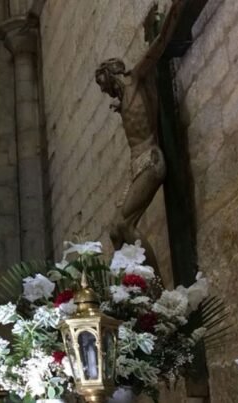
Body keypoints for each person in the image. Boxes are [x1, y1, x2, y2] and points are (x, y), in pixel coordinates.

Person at [94, 0, 187, 270]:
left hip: (150, 159)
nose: (103, 90)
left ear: (111, 74)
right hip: (136, 167)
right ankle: (133, 285)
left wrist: (173, 15)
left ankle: (153, 285)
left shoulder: (135, 80)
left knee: (123, 224)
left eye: (103, 83)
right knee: (114, 230)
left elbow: (157, 47)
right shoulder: (122, 101)